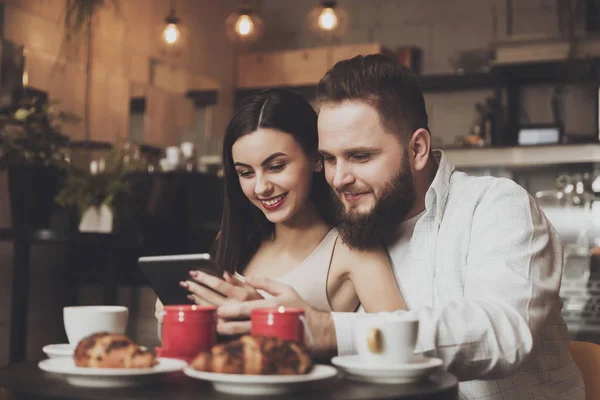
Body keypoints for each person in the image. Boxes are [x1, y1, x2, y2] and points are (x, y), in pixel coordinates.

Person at [215, 56, 585, 399]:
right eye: (328, 159)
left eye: (361, 156)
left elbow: (503, 337)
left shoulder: (495, 206)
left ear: (418, 148)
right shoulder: (354, 229)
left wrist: (327, 330)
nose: (339, 178)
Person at [155, 88, 406, 328]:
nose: (261, 187)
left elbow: (403, 345)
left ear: (315, 159)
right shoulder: (236, 239)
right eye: (245, 172)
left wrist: (298, 324)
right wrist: (173, 316)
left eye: (276, 166)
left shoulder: (354, 250)